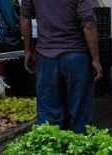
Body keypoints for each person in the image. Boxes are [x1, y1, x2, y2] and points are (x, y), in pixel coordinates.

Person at [22, 0, 102, 133]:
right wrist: (95, 59)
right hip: (76, 56)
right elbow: (88, 23)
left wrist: (28, 50)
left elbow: (25, 18)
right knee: (80, 112)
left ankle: (47, 144)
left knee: (48, 114)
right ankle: (78, 143)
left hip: (46, 57)